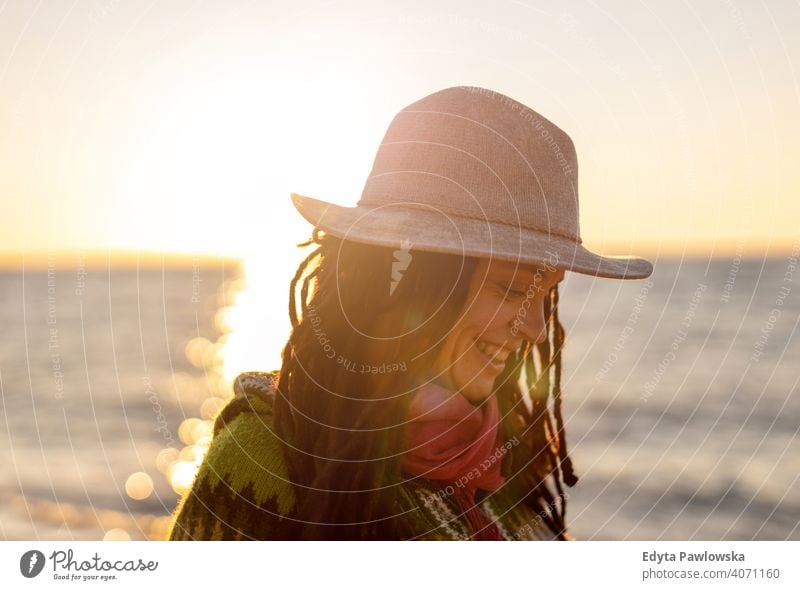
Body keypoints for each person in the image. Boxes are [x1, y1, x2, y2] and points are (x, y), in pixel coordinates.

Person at [166, 85, 653, 541]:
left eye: (547, 295)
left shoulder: (504, 464)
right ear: (411, 284)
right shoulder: (265, 464)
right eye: (513, 290)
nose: (534, 326)